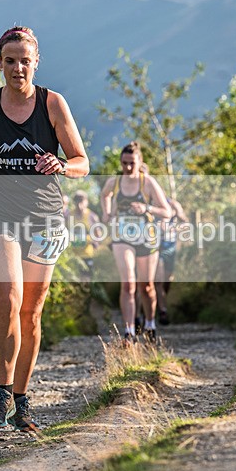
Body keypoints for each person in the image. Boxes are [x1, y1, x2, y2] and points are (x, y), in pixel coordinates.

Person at [0, 26, 89, 431]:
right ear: (0, 63)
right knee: (8, 298)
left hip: (46, 218)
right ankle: (0, 394)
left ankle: (22, 399)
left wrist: (62, 165)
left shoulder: (53, 104)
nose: (17, 69)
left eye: (25, 61)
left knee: (31, 312)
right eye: (10, 61)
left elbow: (82, 161)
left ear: (36, 63)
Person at [100, 142, 170, 344]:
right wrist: (106, 213)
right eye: (124, 163)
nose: (128, 167)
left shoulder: (147, 183)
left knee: (146, 287)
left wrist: (147, 208)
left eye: (132, 163)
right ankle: (129, 331)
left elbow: (167, 211)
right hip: (122, 237)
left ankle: (150, 323)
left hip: (146, 238)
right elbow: (105, 195)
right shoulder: (114, 182)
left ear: (140, 163)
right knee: (128, 283)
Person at [155, 197, 188, 325]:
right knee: (158, 280)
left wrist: (175, 228)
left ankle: (160, 302)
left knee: (167, 280)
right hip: (156, 248)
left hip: (171, 247)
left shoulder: (174, 204)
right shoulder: (152, 205)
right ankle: (163, 311)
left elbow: (185, 223)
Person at [68, 190, 101, 274]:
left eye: (82, 200)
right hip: (72, 254)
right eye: (77, 200)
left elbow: (98, 235)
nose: (79, 203)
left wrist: (89, 240)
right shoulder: (69, 215)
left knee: (86, 279)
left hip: (87, 254)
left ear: (86, 201)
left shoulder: (92, 216)